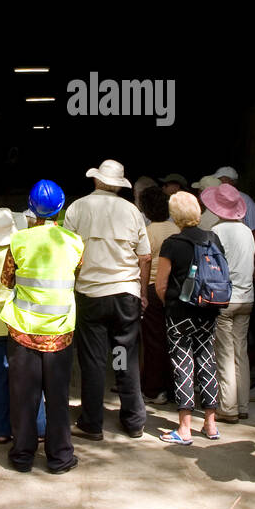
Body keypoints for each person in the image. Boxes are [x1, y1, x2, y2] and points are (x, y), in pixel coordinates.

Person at [0, 181, 84, 473]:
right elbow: (76, 275)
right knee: (58, 399)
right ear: (60, 209)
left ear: (31, 209)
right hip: (60, 333)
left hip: (23, 332)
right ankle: (60, 457)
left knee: (24, 398)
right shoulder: (74, 242)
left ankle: (22, 456)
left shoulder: (18, 240)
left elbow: (6, 280)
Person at [64, 159, 149, 440]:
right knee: (124, 356)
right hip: (126, 293)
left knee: (93, 360)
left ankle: (92, 422)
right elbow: (145, 255)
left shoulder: (77, 208)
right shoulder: (132, 211)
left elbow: (69, 253)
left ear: (97, 180)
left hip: (91, 293)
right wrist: (143, 291)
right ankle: (134, 419)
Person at [155, 191, 221, 444]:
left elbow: (161, 284)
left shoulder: (173, 242)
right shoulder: (213, 238)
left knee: (183, 362)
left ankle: (184, 428)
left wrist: (169, 306)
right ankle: (210, 424)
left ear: (175, 215)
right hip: (209, 308)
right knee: (207, 360)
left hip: (180, 312)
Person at [0, 207, 45, 446]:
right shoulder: (21, 251)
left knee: (1, 379)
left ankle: (1, 429)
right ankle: (38, 427)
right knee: (31, 378)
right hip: (21, 322)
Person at [200, 181, 255, 423]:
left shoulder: (217, 232)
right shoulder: (246, 231)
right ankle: (243, 405)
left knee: (223, 353)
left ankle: (228, 407)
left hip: (225, 299)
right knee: (241, 351)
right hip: (247, 297)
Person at [139, 185, 179, 405]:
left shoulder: (148, 233)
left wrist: (143, 293)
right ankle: (175, 387)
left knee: (153, 342)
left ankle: (154, 390)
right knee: (175, 339)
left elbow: (144, 264)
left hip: (154, 288)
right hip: (175, 289)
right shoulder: (176, 230)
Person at [214, 166, 255, 236]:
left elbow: (254, 229)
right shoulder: (216, 197)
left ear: (231, 181)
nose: (218, 182)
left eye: (220, 179)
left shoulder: (246, 200)